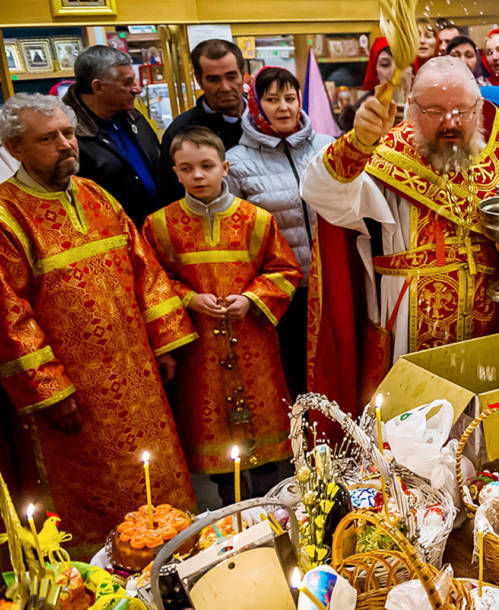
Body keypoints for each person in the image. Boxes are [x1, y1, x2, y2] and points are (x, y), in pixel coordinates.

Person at [300, 57, 499, 412]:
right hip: (410, 322)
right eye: (434, 110)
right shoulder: (383, 155)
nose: (449, 122)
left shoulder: (495, 152)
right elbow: (321, 192)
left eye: (461, 110)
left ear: (478, 107)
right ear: (411, 108)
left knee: (482, 426)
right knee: (413, 435)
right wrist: (356, 144)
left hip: (489, 322)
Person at [0, 93, 197, 554]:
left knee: (155, 483)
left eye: (68, 133)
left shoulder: (96, 196)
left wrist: (165, 343)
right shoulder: (7, 217)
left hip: (137, 378)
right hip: (75, 395)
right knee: (89, 495)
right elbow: (8, 314)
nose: (66, 145)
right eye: (48, 139)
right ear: (15, 149)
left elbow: (144, 271)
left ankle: (172, 555)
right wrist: (50, 389)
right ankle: (103, 574)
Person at [143, 127, 302, 502]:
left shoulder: (256, 220)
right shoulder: (159, 225)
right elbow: (152, 280)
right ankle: (231, 518)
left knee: (264, 453)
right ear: (176, 172)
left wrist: (251, 298)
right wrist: (188, 298)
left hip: (254, 344)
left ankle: (272, 510)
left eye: (206, 166)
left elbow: (286, 271)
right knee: (218, 450)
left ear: (225, 167)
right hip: (200, 353)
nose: (198, 175)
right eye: (187, 168)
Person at [224, 67, 335, 398]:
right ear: (256, 104)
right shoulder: (237, 162)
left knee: (333, 368)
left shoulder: (328, 146)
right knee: (291, 374)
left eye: (289, 98)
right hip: (280, 292)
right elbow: (236, 234)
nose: (283, 107)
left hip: (328, 284)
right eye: (272, 99)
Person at [61, 45, 165, 227]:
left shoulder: (135, 116)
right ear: (98, 86)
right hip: (114, 241)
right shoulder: (68, 136)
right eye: (128, 83)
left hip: (156, 231)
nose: (137, 89)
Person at [159, 39, 247, 202]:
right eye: (213, 79)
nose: (225, 87)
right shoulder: (181, 131)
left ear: (243, 74)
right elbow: (171, 196)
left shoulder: (268, 122)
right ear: (199, 81)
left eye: (231, 76)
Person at [338, 36, 407, 133]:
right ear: (375, 71)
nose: (394, 72)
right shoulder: (359, 115)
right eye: (385, 64)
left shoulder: (427, 106)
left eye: (401, 64)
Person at [447, 36, 499, 123]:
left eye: (469, 55)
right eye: (455, 56)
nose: (463, 60)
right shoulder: (437, 92)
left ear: (477, 60)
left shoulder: (491, 92)